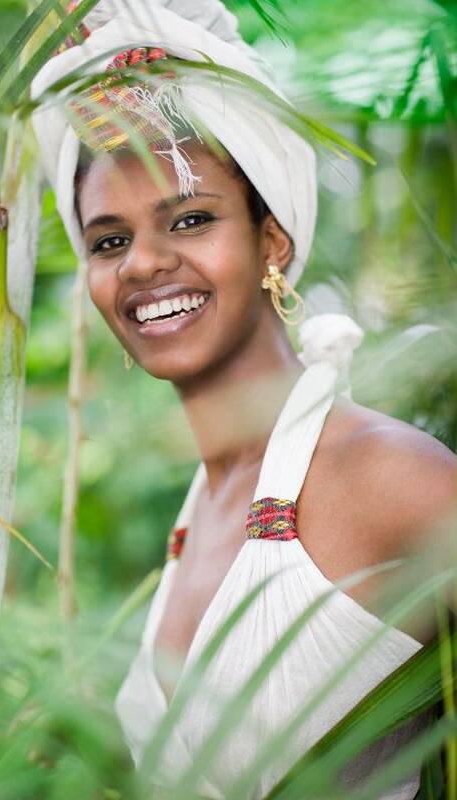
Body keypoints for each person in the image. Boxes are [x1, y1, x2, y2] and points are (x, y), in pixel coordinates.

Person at [30, 2, 457, 797]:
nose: (142, 264)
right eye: (109, 241)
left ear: (272, 242)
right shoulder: (205, 502)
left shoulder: (387, 475)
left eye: (190, 220)